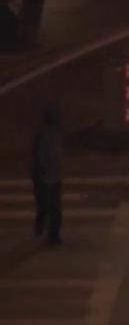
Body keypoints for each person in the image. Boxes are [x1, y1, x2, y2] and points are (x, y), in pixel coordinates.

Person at [31, 105, 63, 246]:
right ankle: (50, 234)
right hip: (46, 177)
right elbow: (41, 157)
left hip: (52, 176)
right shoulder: (44, 135)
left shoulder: (51, 134)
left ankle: (50, 234)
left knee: (51, 208)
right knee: (50, 207)